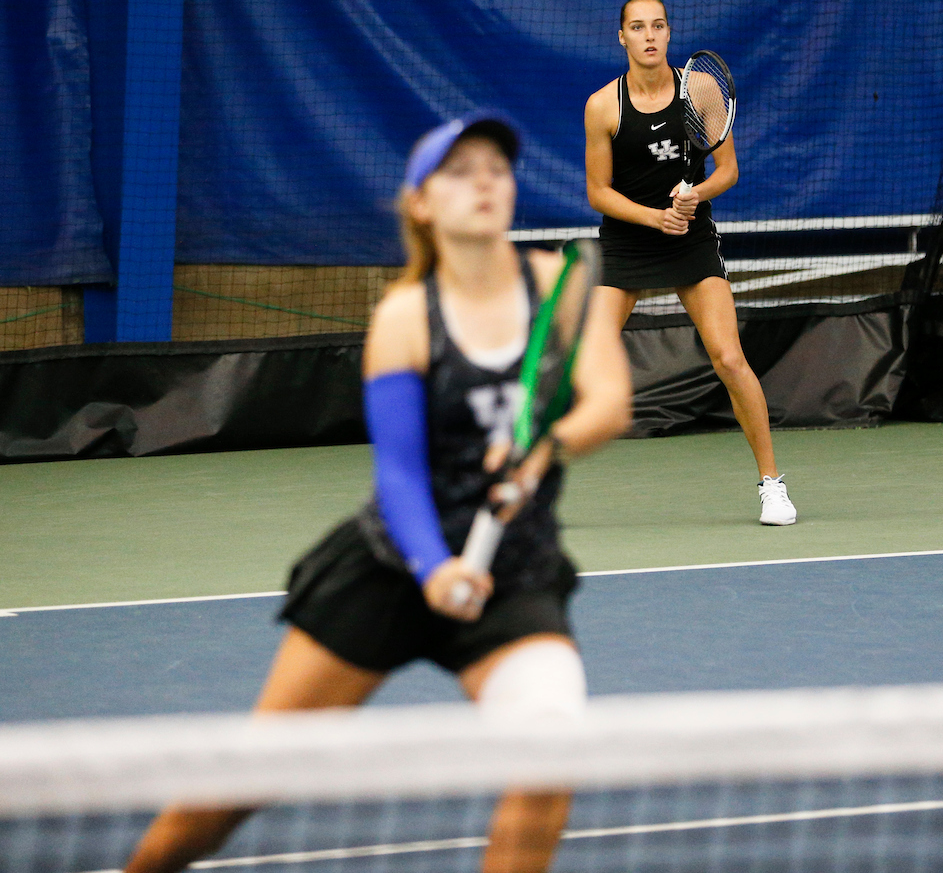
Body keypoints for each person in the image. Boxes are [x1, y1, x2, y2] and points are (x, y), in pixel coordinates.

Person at [122, 114, 632, 873]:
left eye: (497, 167)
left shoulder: (561, 288)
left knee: (548, 758)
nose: (486, 181)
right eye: (460, 171)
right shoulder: (403, 318)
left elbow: (608, 403)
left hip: (513, 571)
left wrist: (542, 451)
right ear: (421, 204)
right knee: (247, 778)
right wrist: (434, 569)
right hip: (393, 569)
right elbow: (397, 474)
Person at [584, 0, 797, 526]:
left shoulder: (700, 89)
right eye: (637, 27)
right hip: (629, 239)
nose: (649, 36)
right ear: (622, 38)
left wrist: (693, 197)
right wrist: (653, 217)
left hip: (691, 239)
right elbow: (598, 192)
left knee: (728, 357)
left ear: (669, 33)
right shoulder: (602, 106)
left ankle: (773, 486)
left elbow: (727, 170)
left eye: (658, 26)